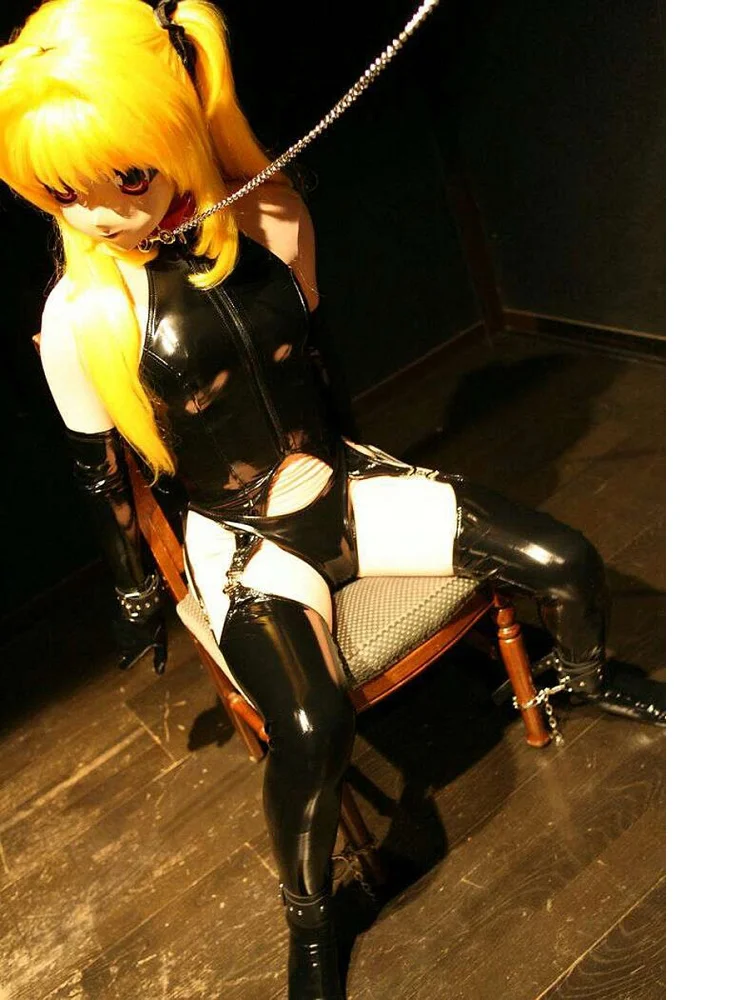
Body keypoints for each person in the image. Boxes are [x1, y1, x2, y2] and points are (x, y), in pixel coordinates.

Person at [0, 1, 665, 997]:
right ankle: (310, 916)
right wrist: (137, 595)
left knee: (566, 559)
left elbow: (314, 364)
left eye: (125, 177)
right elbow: (102, 474)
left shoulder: (267, 221)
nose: (100, 213)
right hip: (244, 540)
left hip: (346, 486)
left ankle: (582, 676)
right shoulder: (77, 316)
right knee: (313, 732)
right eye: (65, 191)